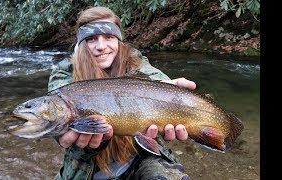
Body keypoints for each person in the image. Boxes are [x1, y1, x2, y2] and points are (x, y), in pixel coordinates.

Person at [48, 6, 196, 180]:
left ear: (118, 40)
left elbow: (154, 77)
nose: (101, 46)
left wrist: (163, 90)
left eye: (109, 37)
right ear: (81, 44)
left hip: (141, 155)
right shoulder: (65, 72)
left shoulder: (134, 60)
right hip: (87, 168)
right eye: (92, 39)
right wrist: (59, 131)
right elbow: (56, 113)